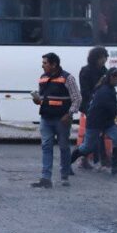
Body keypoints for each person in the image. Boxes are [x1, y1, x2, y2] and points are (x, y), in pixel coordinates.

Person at [70, 68, 117, 175]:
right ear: (111, 77)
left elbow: (112, 109)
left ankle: (116, 168)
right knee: (87, 147)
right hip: (95, 122)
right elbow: (114, 109)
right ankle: (66, 164)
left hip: (107, 122)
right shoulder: (104, 91)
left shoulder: (110, 89)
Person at [31, 52, 81, 188]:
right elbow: (42, 98)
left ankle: (64, 176)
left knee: (64, 147)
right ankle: (45, 178)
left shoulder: (67, 78)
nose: (42, 66)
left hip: (62, 119)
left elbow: (77, 98)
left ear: (54, 65)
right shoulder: (43, 78)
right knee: (46, 146)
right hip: (46, 118)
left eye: (45, 63)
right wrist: (37, 100)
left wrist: (69, 114)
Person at [77, 47, 109, 170]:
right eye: (102, 58)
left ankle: (93, 159)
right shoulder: (86, 71)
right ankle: (95, 159)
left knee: (96, 132)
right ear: (95, 58)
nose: (104, 60)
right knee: (94, 132)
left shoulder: (104, 70)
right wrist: (98, 86)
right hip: (89, 105)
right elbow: (85, 91)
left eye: (105, 57)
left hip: (101, 105)